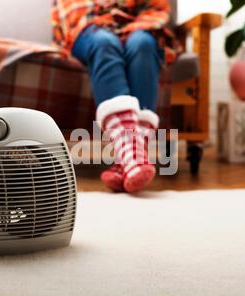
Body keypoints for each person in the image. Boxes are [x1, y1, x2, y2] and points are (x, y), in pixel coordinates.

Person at [51, 0, 179, 193]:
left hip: (138, 27)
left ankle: (126, 161)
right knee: (104, 42)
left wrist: (129, 28)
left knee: (142, 44)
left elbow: (156, 10)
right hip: (88, 27)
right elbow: (73, 14)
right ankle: (133, 156)